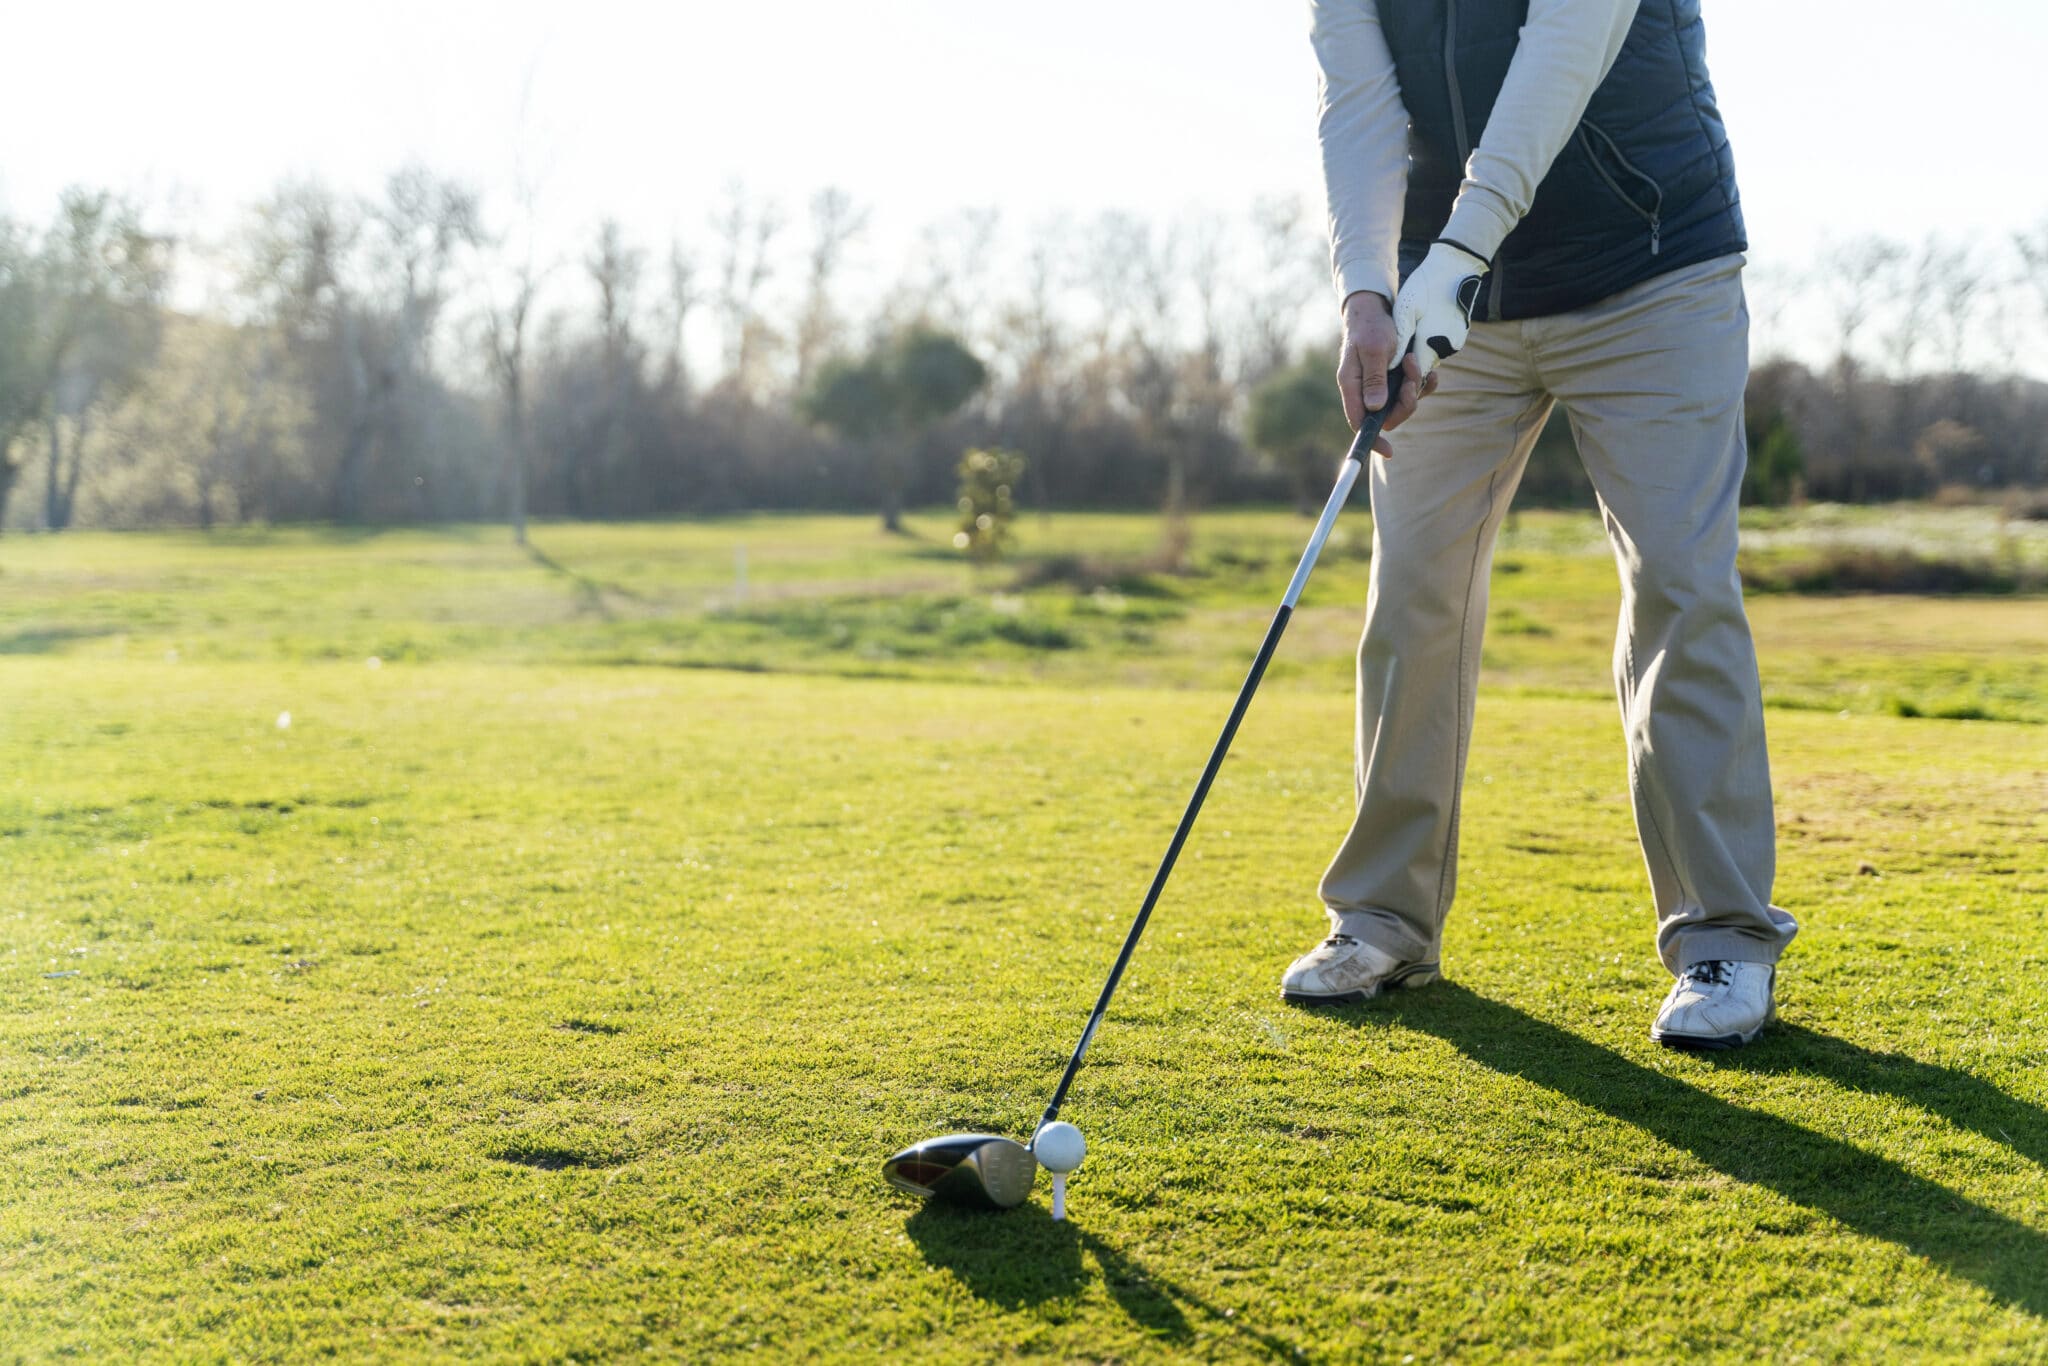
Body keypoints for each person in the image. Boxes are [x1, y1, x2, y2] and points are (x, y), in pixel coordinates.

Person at [1283, 0, 1797, 1049]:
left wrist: (1453, 252)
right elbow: (1359, 106)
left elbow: (1556, 61)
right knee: (1412, 589)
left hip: (1648, 272)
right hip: (1449, 287)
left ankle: (1722, 937)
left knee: (1676, 582)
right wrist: (1366, 296)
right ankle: (1382, 917)